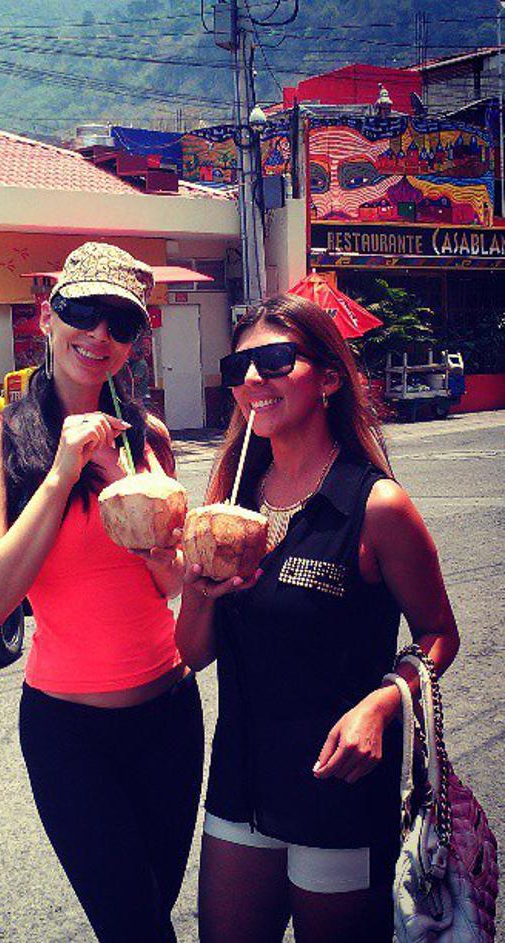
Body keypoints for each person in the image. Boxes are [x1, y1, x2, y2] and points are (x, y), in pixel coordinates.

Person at [177, 294, 460, 943]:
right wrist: (196, 593)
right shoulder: (229, 502)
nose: (253, 378)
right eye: (239, 366)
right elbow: (192, 654)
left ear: (328, 378)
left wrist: (382, 705)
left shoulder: (375, 505)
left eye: (276, 360)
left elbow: (440, 633)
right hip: (240, 781)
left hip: (337, 786)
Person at [0, 243, 205, 943]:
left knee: (153, 912)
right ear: (47, 316)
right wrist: (63, 471)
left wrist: (167, 550)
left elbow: (169, 583)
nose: (99, 334)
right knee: (133, 928)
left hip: (169, 717)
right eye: (82, 311)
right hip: (68, 733)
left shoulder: (147, 437)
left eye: (120, 323)